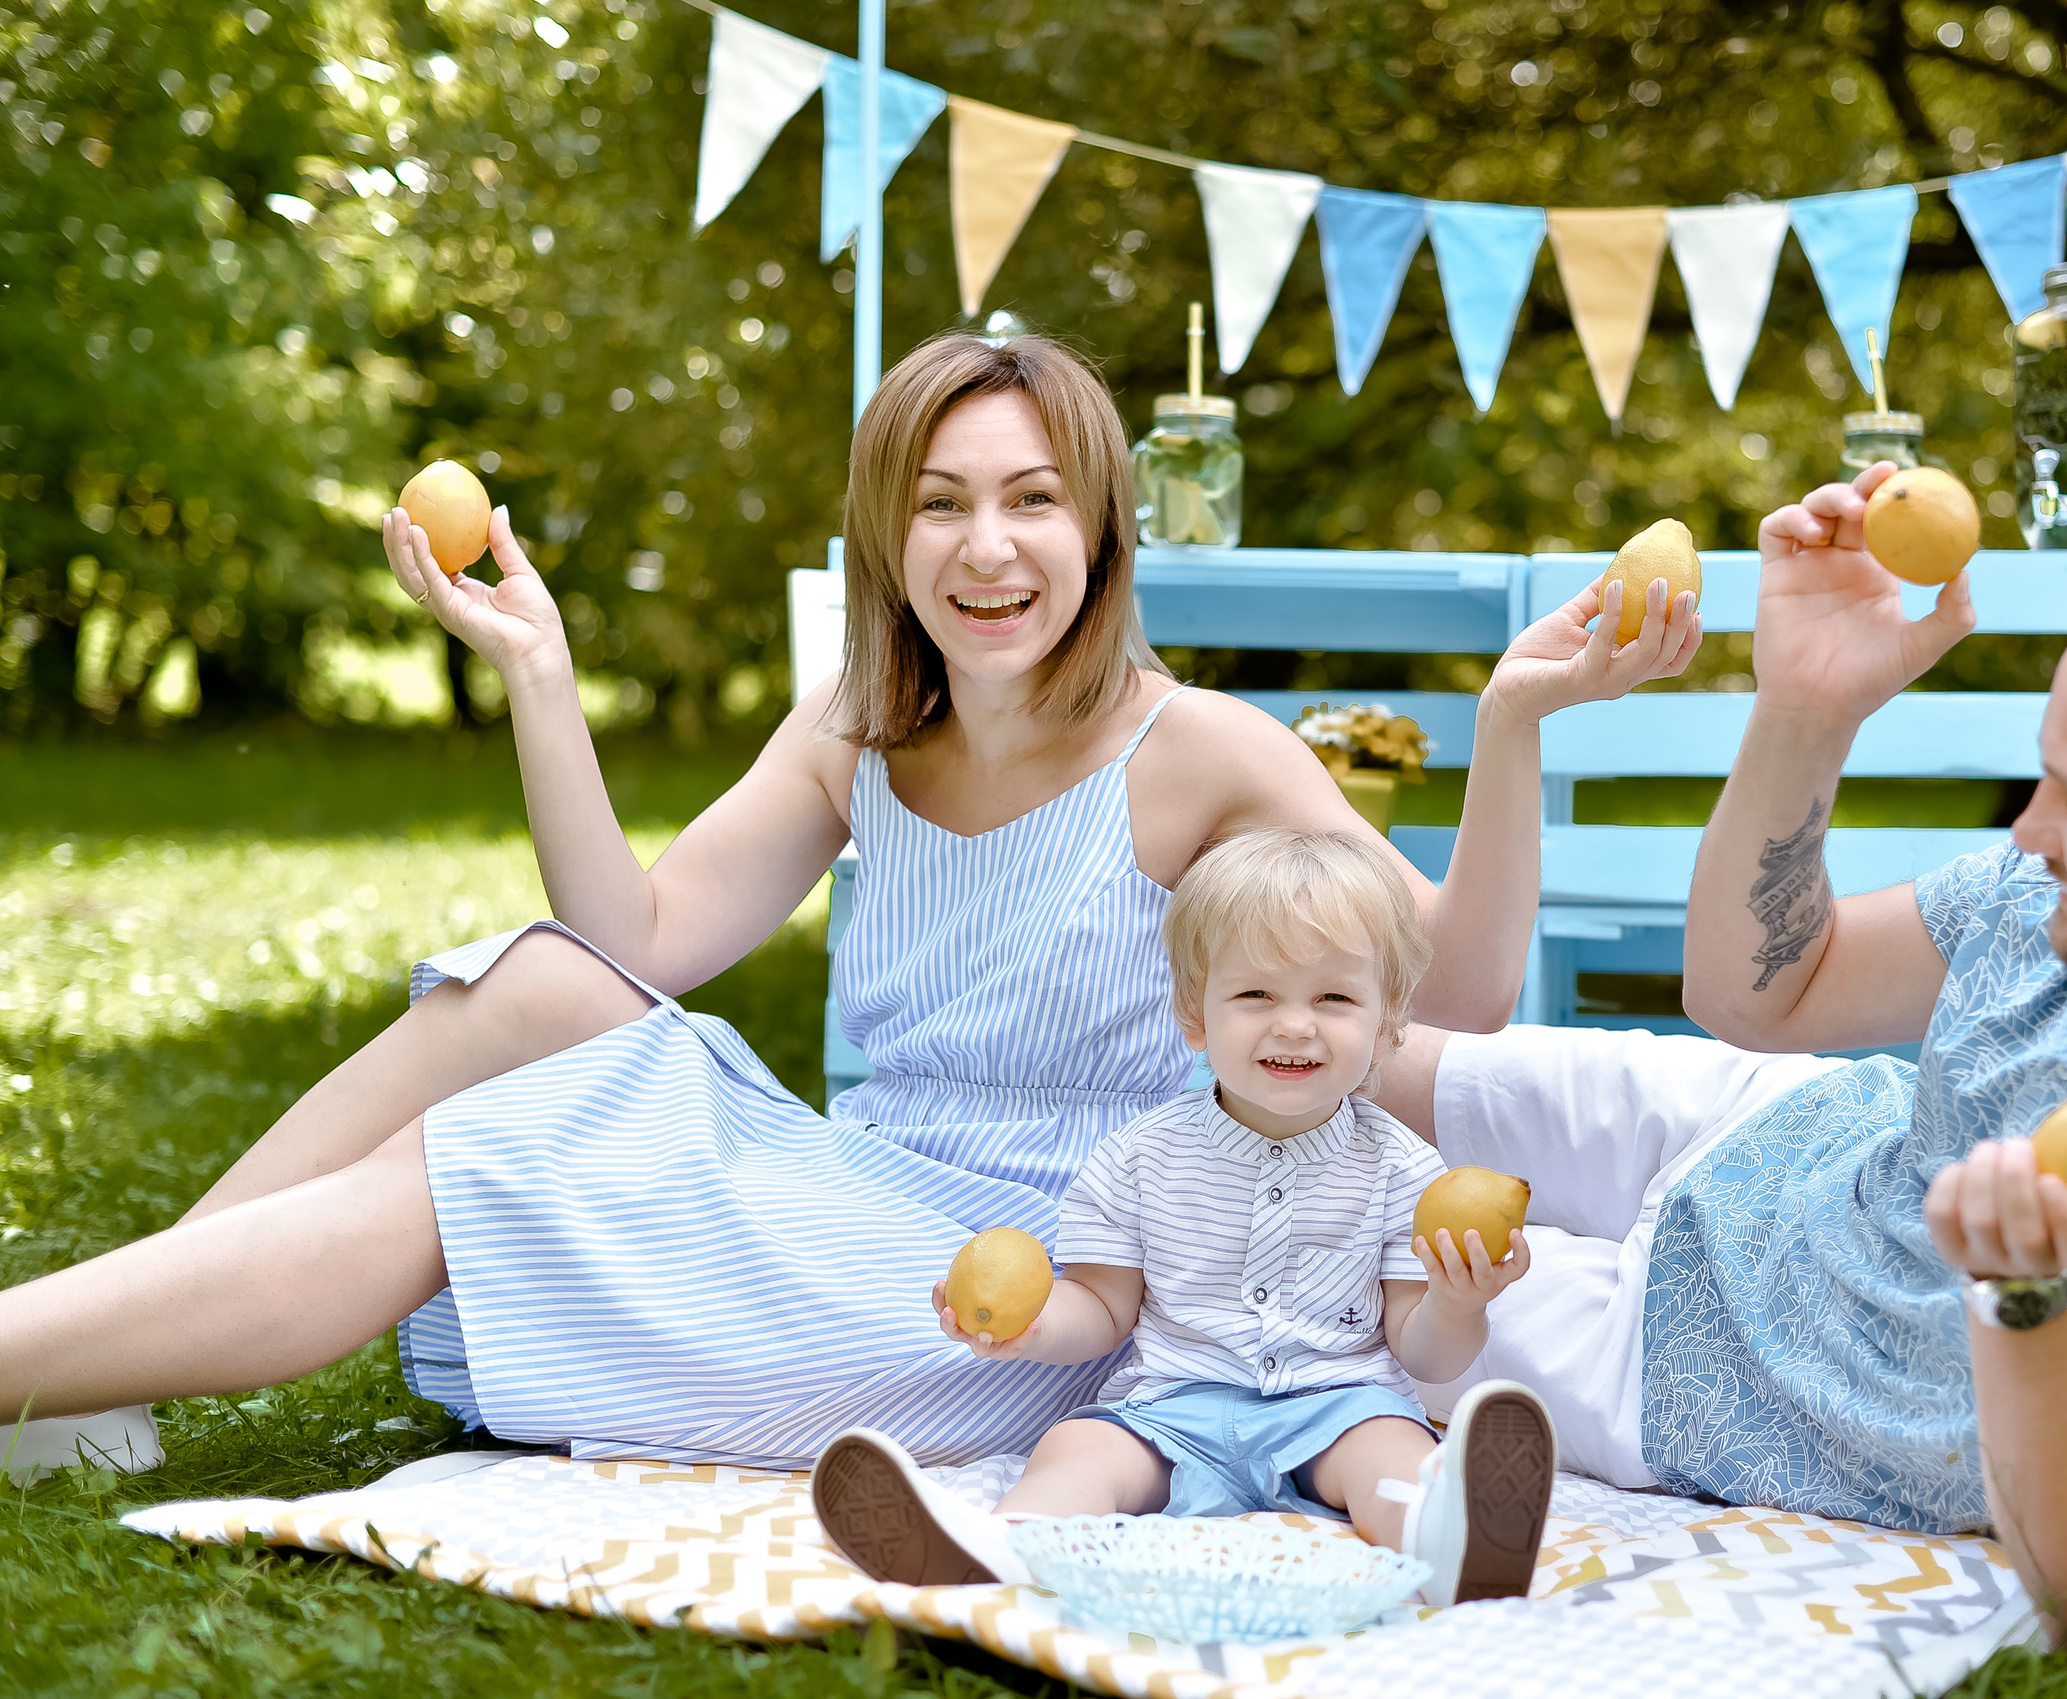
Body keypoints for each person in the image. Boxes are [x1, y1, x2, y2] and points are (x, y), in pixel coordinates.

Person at [0, 332, 1701, 1474]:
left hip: (1033, 1275)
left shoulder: (1197, 753)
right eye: (942, 502)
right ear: (889, 534)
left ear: (1103, 526)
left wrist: (1508, 724)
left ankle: (34, 1361)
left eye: (1034, 498)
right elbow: (634, 943)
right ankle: (117, 1355)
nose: (989, 548)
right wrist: (539, 673)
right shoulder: (863, 727)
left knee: (483, 1170)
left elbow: (1457, 993)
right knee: (524, 985)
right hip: (860, 1186)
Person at [1367, 462, 2067, 1656]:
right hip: (1767, 1135)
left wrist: (2023, 1295)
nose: (2028, 833)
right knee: (1338, 1062)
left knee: (1305, 1264)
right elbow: (1756, 993)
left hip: (1704, 1373)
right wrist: (1806, 710)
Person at [813, 830, 1551, 1606]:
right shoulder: (1137, 1157)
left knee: (1392, 1453)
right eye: (1256, 994)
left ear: (1387, 1022)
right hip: (1170, 1406)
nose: (1295, 1024)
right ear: (1195, 1016)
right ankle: (1007, 1542)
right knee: (1077, 1446)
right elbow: (1099, 1304)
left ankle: (1445, 1540)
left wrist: (1458, 1302)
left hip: (1339, 1404)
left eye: (1333, 997)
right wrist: (1028, 1327)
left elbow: (1426, 1355)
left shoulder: (1404, 1170)